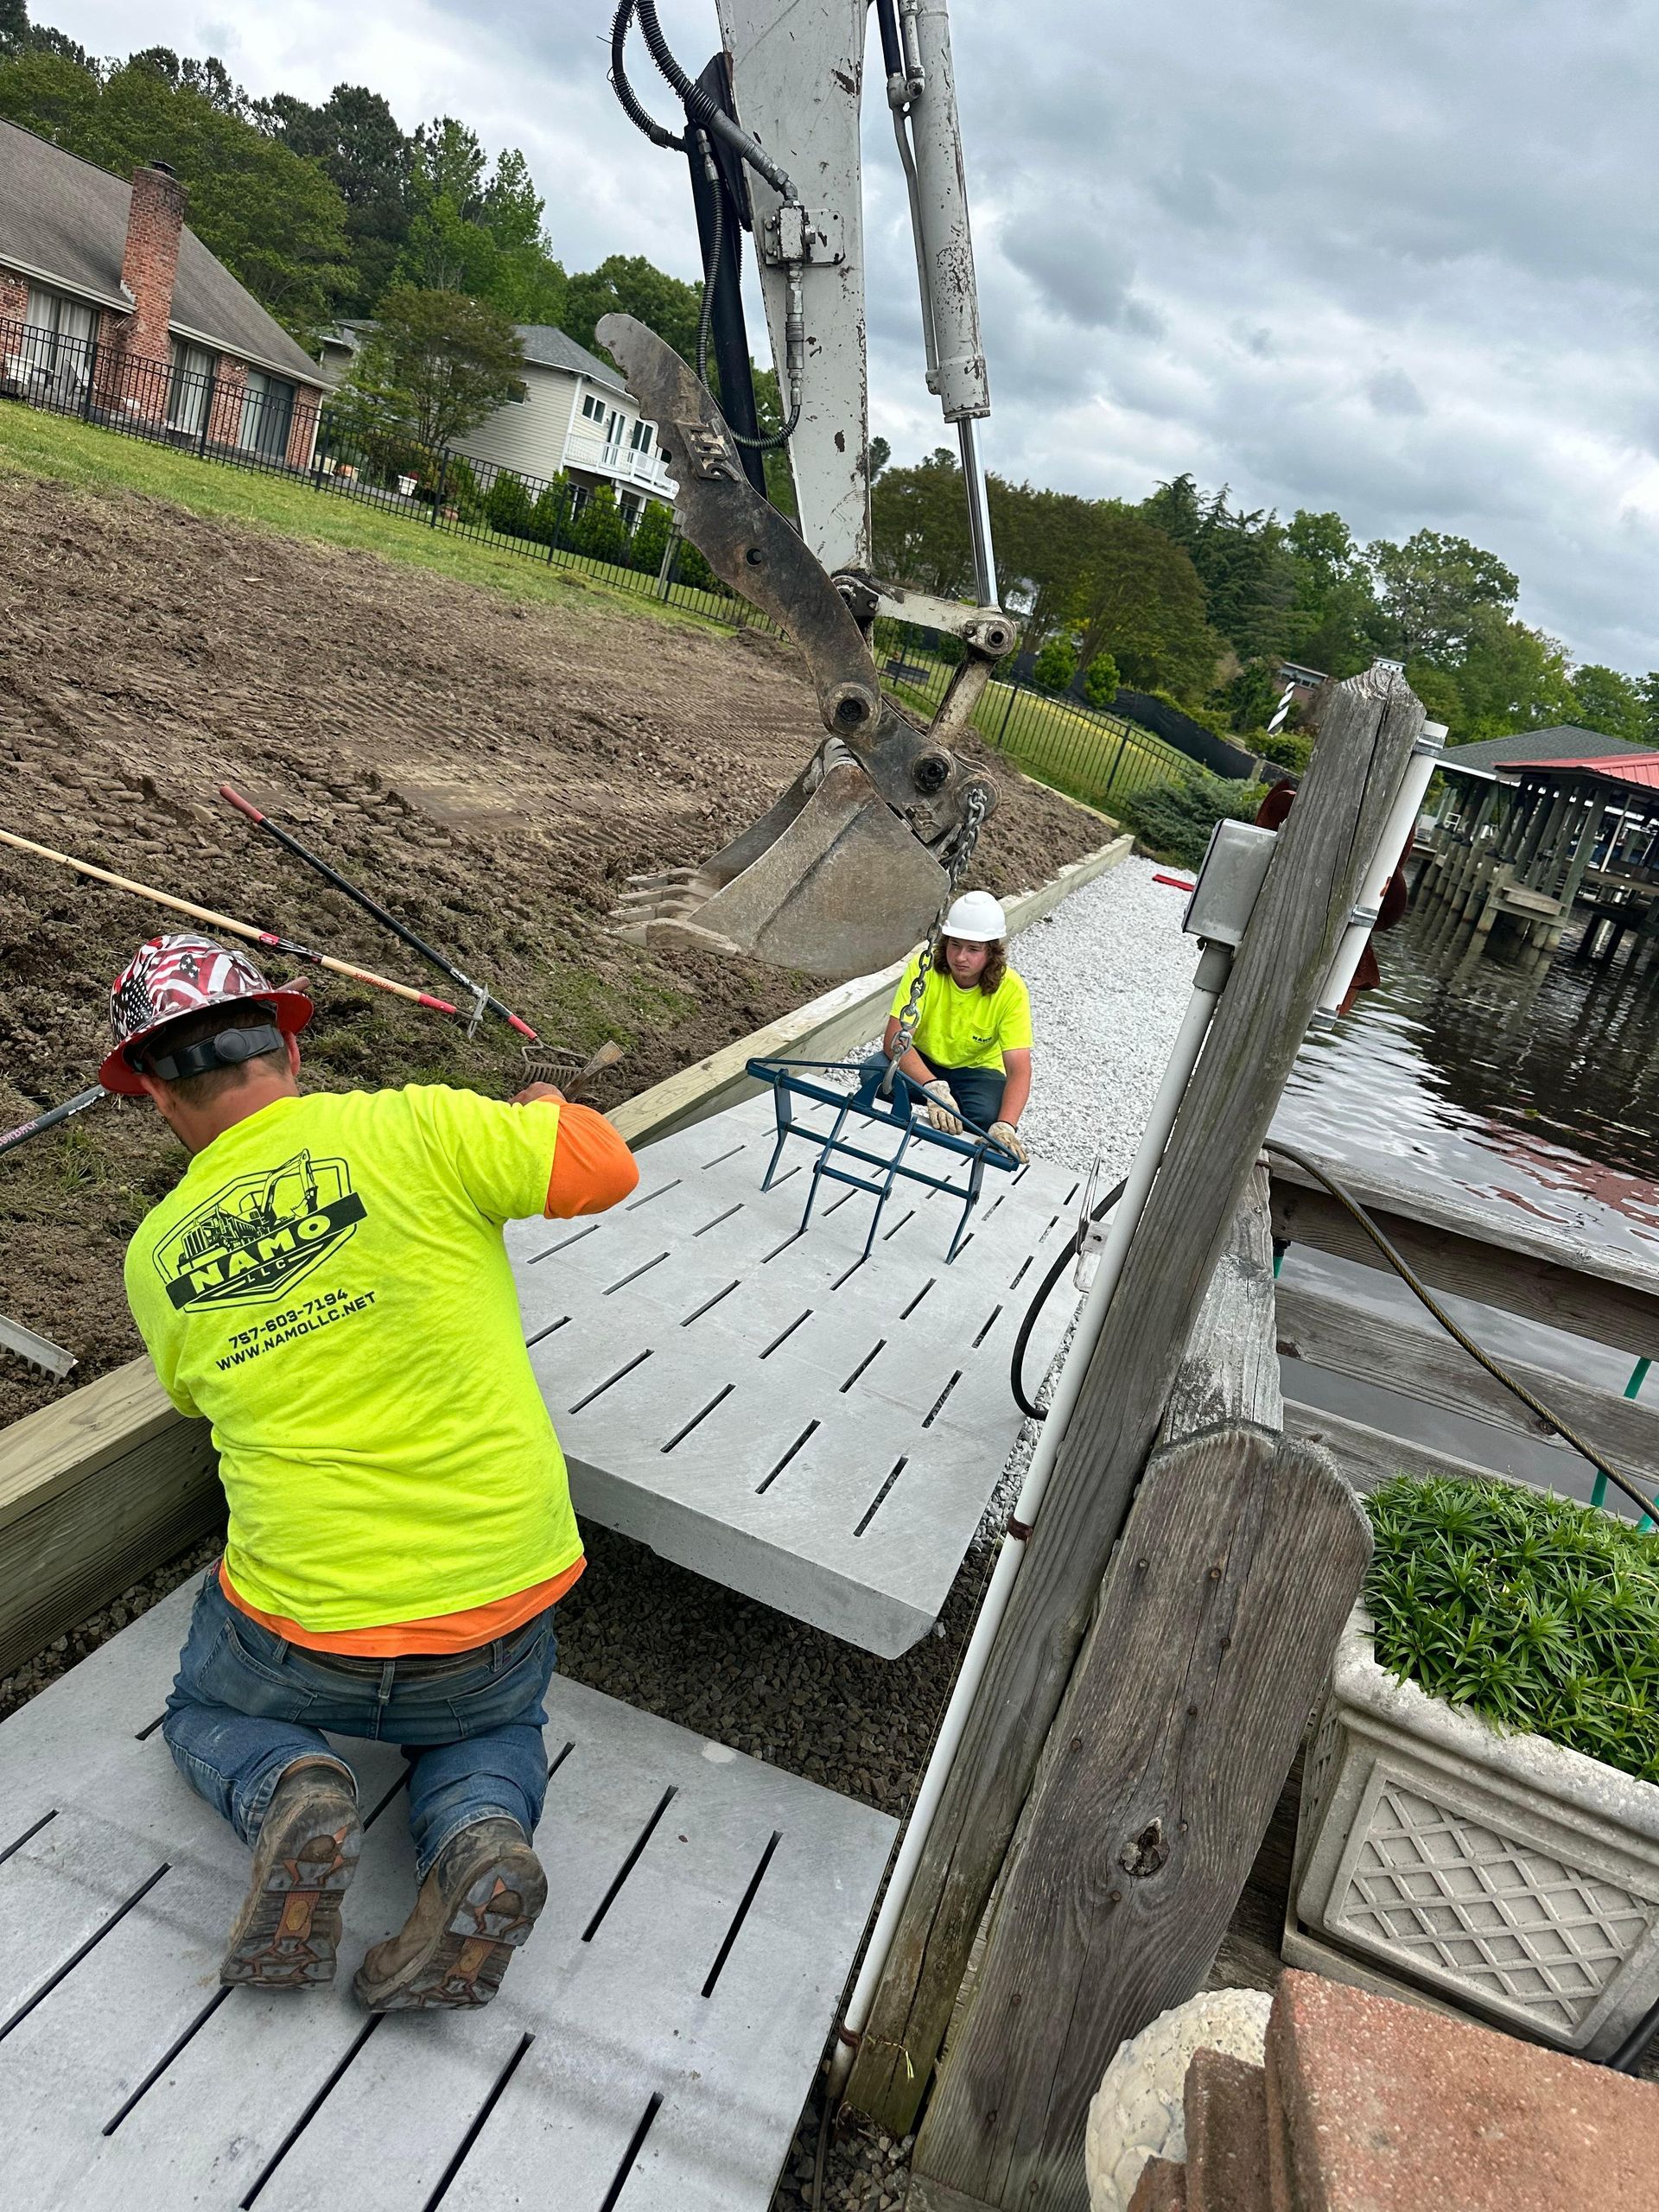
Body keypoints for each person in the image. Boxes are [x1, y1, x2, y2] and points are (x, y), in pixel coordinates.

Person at [106, 933, 639, 2010]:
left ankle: (293, 1788)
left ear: (161, 1100)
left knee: (202, 1712)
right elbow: (605, 1166)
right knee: (493, 1726)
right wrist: (541, 1116)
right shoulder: (420, 1124)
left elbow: (195, 1399)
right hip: (494, 1603)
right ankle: (480, 1838)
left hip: (302, 1628)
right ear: (290, 1054)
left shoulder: (157, 1255)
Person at [870, 889, 1033, 1160]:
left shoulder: (1011, 989)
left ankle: (949, 1157)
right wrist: (933, 1088)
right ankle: (888, 1142)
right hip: (923, 1060)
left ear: (992, 952)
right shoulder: (924, 969)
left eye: (973, 949)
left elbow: (1019, 1069)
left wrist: (1006, 1125)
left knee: (986, 1116)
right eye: (955, 945)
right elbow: (894, 1039)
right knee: (874, 1075)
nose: (960, 957)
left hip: (977, 1071)